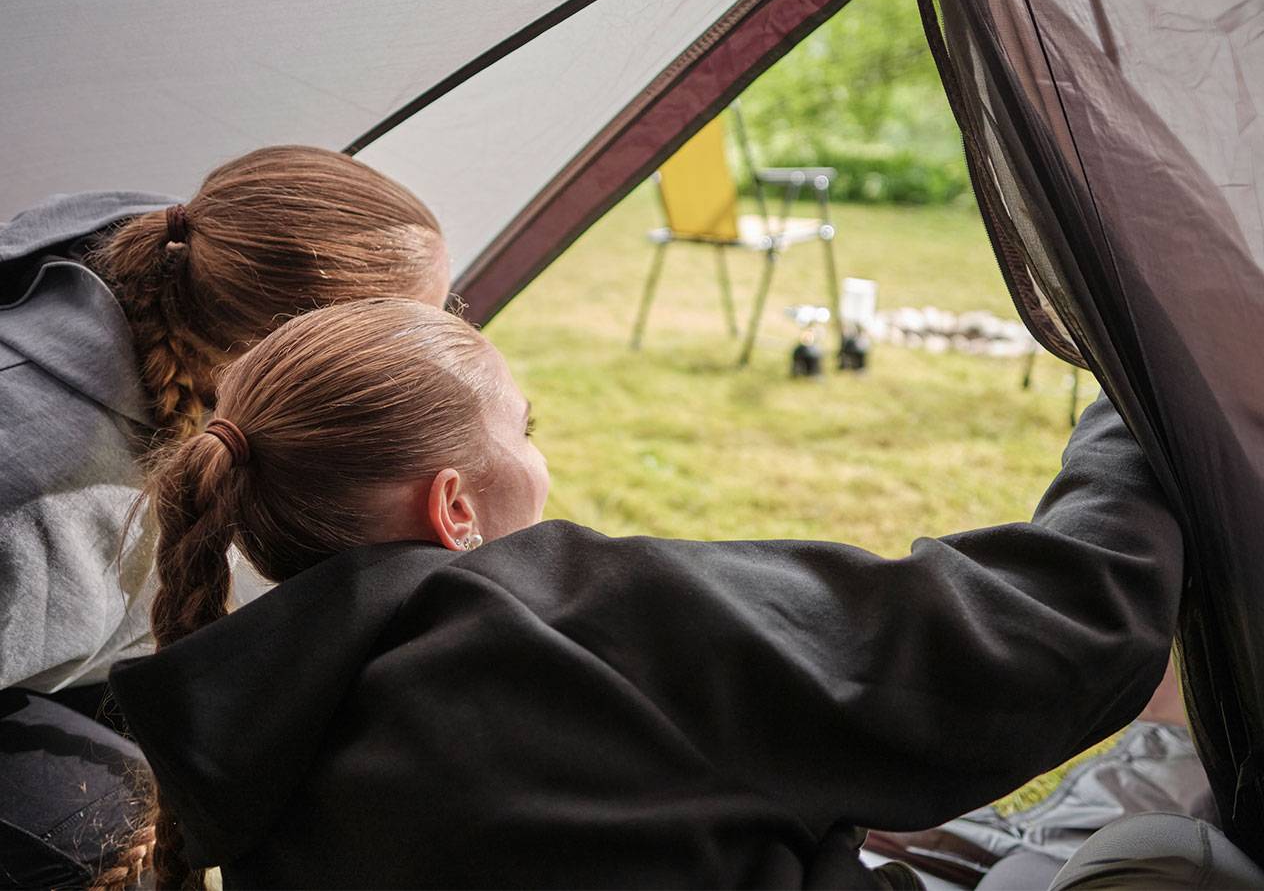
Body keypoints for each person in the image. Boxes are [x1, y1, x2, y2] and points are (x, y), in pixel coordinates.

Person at [105, 297, 1189, 889]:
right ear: (455, 509)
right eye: (524, 430)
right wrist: (1140, 381)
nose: (541, 457)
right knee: (1162, 841)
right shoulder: (580, 620)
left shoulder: (246, 742)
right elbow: (1059, 630)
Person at [0, 148, 447, 888]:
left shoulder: (189, 249)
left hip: (58, 651)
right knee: (111, 829)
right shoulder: (38, 504)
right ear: (279, 353)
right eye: (399, 337)